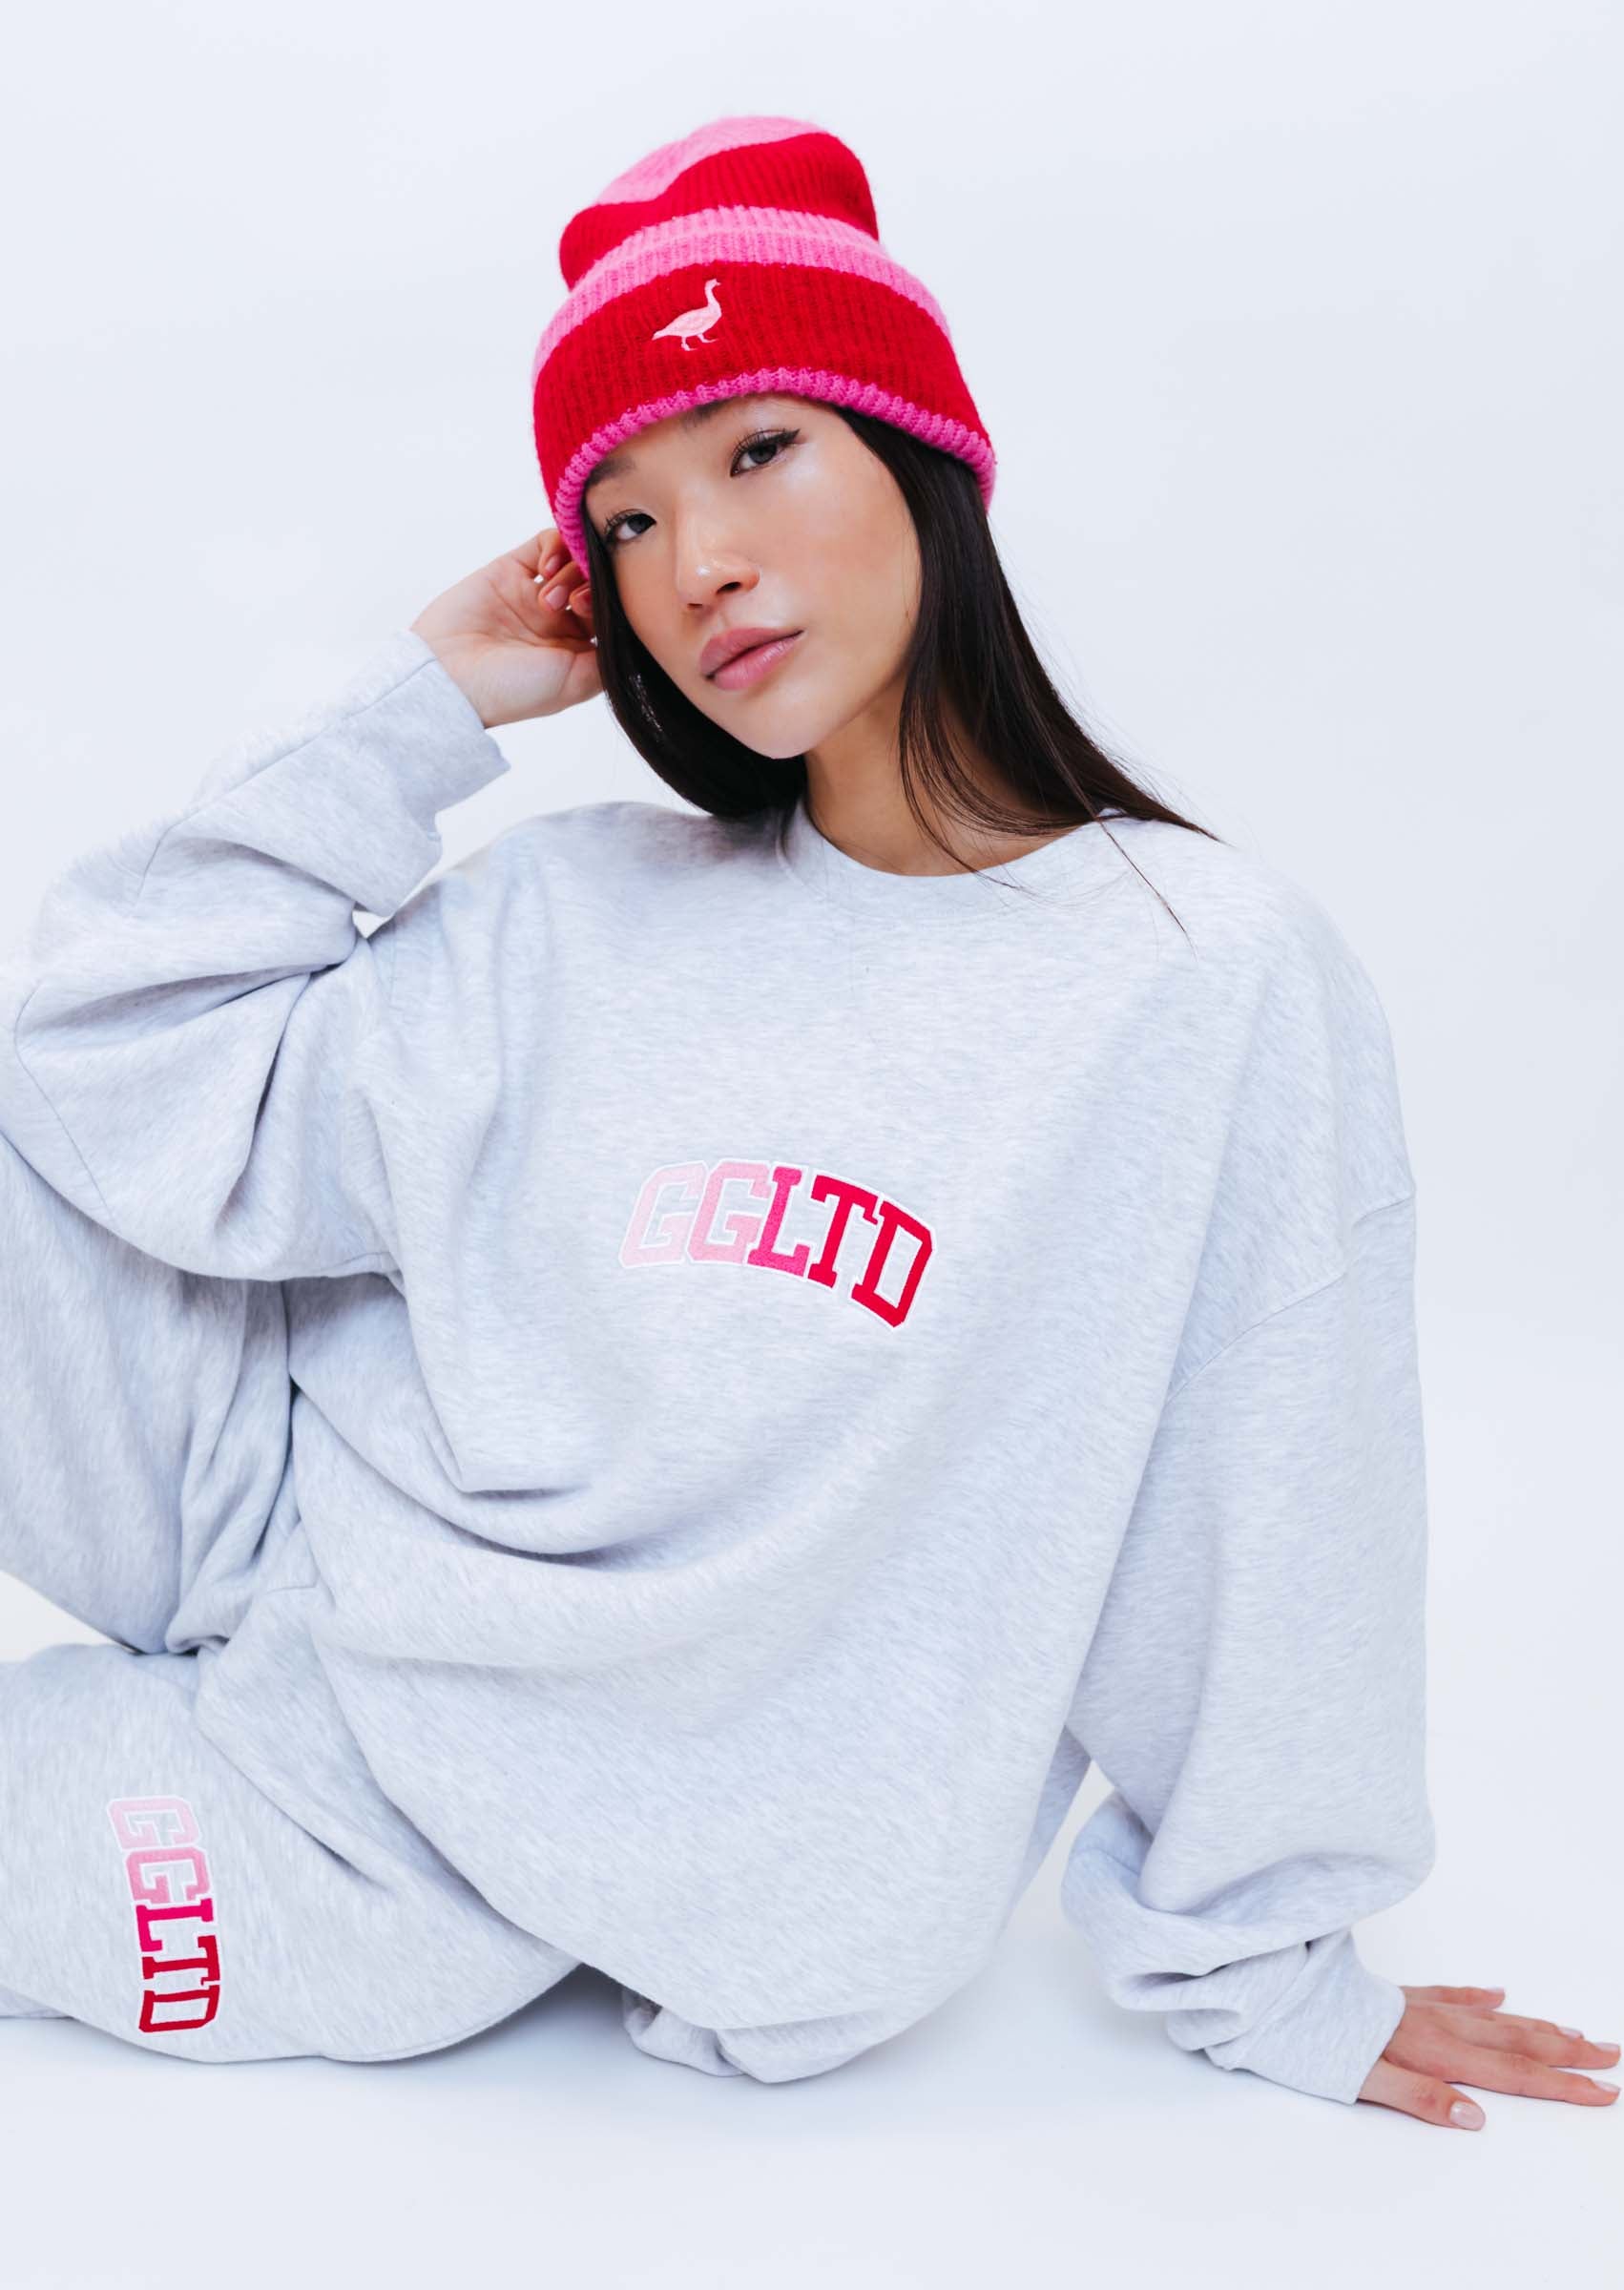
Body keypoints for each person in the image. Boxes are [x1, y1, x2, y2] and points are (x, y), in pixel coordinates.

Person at [0, 113, 1614, 2132]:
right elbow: (100, 1067)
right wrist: (425, 703)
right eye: (626, 523)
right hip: (266, 1513)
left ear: (921, 458)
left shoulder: (1196, 981)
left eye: (758, 450)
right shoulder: (579, 904)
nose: (698, 565)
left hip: (407, 1841)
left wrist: (1272, 1957)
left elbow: (1277, 1491)